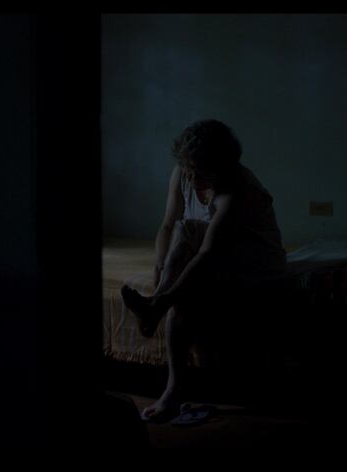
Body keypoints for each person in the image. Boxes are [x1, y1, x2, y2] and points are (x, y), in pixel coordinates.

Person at [121, 119, 286, 422]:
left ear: (221, 168)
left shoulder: (238, 189)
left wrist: (168, 296)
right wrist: (160, 264)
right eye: (190, 170)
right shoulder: (183, 173)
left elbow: (209, 253)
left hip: (255, 260)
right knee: (183, 229)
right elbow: (167, 225)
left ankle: (172, 387)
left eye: (203, 172)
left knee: (184, 296)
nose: (193, 179)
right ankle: (155, 307)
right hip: (215, 250)